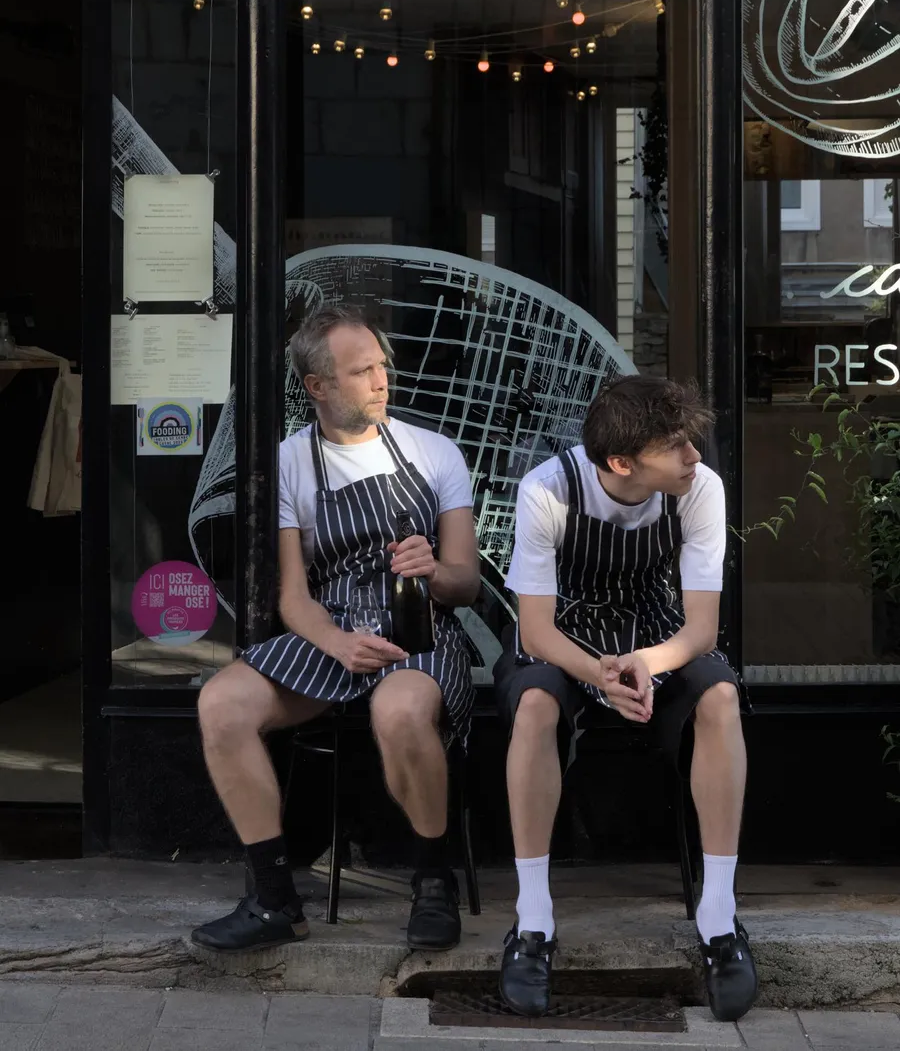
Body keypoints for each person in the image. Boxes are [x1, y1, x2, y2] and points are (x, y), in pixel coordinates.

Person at [191, 304, 480, 955]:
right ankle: (273, 898)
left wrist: (434, 571)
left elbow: (467, 582)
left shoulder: (434, 453)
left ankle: (433, 880)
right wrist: (337, 642)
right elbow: (293, 596)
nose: (381, 381)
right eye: (361, 371)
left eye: (382, 365)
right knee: (222, 702)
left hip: (419, 633)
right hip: (335, 628)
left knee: (403, 710)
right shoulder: (289, 461)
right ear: (317, 386)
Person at [493, 374, 757, 1023]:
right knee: (533, 706)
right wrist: (599, 673)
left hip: (655, 632)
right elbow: (534, 629)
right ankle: (533, 922)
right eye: (677, 446)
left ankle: (719, 919)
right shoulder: (547, 488)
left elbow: (700, 627)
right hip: (564, 636)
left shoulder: (701, 490)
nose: (694, 456)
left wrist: (645, 662)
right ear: (621, 462)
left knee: (720, 694)